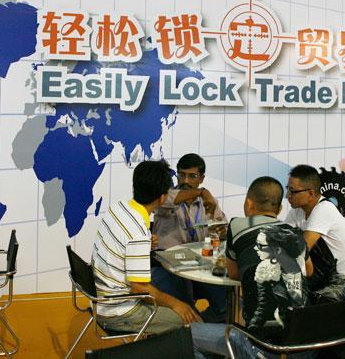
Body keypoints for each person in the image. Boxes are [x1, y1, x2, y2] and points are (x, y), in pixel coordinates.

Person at [190, 176, 313, 359]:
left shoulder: (237, 224)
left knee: (188, 336)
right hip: (306, 347)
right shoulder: (294, 233)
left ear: (248, 204)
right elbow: (309, 271)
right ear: (279, 209)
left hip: (261, 347)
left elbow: (233, 273)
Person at [91, 159, 201, 334]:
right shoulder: (138, 233)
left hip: (102, 298)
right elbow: (139, 288)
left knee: (173, 282)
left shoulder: (117, 208)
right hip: (121, 312)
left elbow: (123, 244)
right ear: (163, 198)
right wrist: (176, 304)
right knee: (193, 320)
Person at [151, 153, 228, 322]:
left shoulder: (208, 202)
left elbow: (221, 230)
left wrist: (222, 230)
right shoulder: (165, 197)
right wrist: (202, 192)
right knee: (187, 313)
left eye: (192, 176)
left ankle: (201, 328)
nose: (185, 181)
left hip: (198, 266)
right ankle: (193, 329)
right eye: (182, 175)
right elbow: (174, 198)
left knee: (224, 303)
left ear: (201, 178)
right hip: (169, 268)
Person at [283, 164, 345, 300]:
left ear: (311, 194)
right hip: (327, 278)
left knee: (308, 301)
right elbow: (282, 239)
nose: (288, 195)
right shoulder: (298, 210)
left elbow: (301, 250)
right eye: (288, 189)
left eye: (293, 191)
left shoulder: (324, 210)